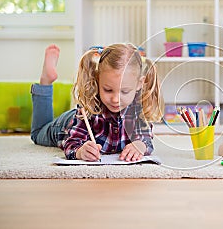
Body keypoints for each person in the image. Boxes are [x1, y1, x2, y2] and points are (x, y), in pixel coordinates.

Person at [30, 43, 164, 162]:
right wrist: (80, 151)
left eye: (124, 91)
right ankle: (45, 82)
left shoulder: (137, 108)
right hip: (64, 126)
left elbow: (146, 139)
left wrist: (140, 145)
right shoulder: (90, 109)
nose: (115, 99)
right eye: (108, 90)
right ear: (98, 80)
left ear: (139, 84)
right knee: (37, 134)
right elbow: (72, 143)